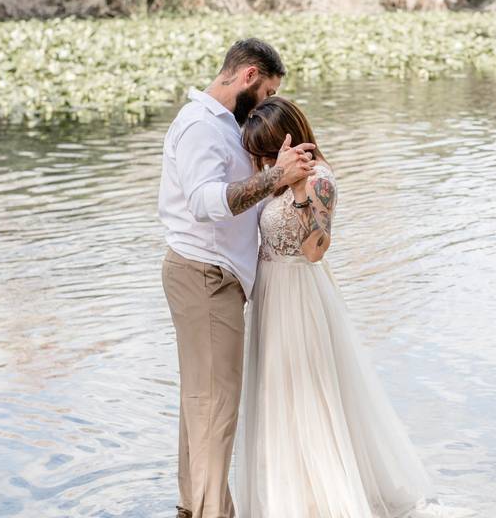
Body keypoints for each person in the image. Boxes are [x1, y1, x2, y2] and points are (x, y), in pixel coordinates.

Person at [235, 96, 444, 517]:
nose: (260, 160)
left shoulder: (319, 181)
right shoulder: (275, 176)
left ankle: (321, 497)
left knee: (306, 393)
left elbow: (317, 250)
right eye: (258, 154)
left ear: (287, 139)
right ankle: (287, 492)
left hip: (297, 292)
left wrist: (297, 195)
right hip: (271, 293)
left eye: (264, 150)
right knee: (276, 395)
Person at [157, 39, 316, 518]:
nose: (267, 103)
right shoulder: (200, 127)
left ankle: (194, 507)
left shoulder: (225, 127)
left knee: (202, 404)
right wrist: (277, 178)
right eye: (266, 91)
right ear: (248, 76)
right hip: (205, 276)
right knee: (215, 409)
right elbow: (206, 204)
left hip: (212, 277)